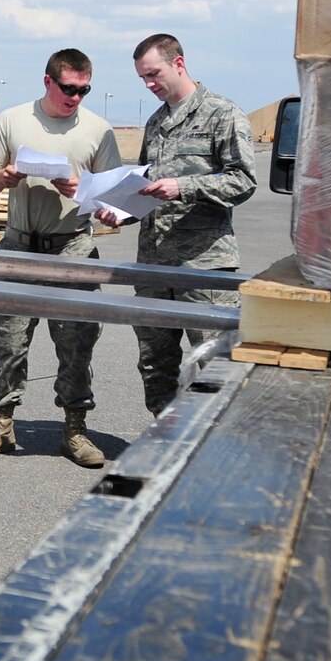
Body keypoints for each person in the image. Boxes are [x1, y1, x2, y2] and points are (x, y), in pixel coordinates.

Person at [0, 49, 123, 468]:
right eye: (69, 88)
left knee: (76, 345)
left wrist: (83, 190)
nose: (76, 97)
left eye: (84, 90)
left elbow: (112, 197)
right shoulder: (14, 120)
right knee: (9, 341)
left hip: (72, 248)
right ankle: (1, 423)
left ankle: (74, 429)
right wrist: (5, 177)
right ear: (48, 81)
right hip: (19, 246)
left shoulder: (98, 130)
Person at [121, 33, 255, 415]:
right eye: (143, 79)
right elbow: (148, 188)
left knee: (215, 363)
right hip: (154, 266)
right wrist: (121, 209)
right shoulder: (156, 121)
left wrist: (185, 187)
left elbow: (243, 181)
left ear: (179, 63)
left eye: (154, 74)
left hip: (203, 266)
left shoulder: (221, 113)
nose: (149, 84)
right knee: (155, 363)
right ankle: (162, 441)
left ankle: (213, 449)